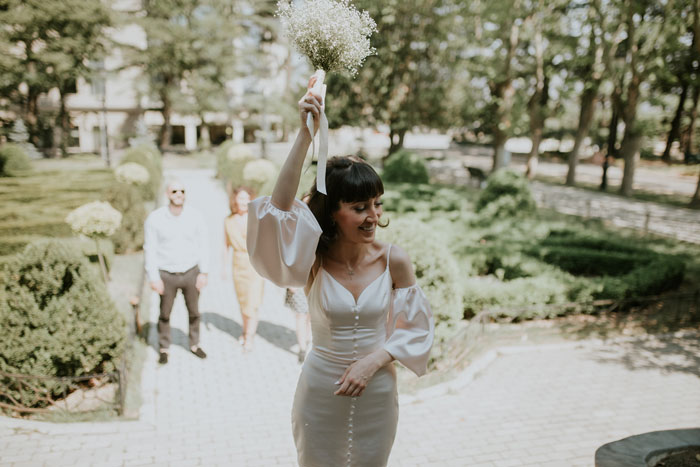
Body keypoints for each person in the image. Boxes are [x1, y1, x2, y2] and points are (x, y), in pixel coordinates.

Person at [247, 78, 435, 467]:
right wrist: (305, 135)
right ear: (333, 210)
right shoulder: (312, 258)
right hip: (321, 390)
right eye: (360, 206)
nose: (373, 216)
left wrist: (373, 361)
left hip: (377, 392)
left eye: (377, 204)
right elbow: (278, 212)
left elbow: (415, 329)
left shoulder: (393, 260)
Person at [144, 179, 209, 365]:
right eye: (174, 191)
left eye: (182, 191)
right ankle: (164, 348)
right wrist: (153, 278)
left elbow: (204, 245)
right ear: (167, 194)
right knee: (165, 313)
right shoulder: (155, 218)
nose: (178, 194)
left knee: (194, 312)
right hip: (166, 274)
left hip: (191, 272)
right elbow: (150, 248)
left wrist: (204, 272)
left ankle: (195, 344)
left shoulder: (195, 216)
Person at [224, 186, 264, 353]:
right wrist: (223, 267)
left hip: (255, 265)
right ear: (235, 200)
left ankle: (249, 337)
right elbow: (225, 245)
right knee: (242, 302)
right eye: (240, 198)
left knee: (252, 303)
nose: (243, 201)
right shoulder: (228, 220)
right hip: (237, 264)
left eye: (246, 198)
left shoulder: (257, 219)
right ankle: (244, 330)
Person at [284, 287, 311, 363]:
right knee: (300, 315)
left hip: (315, 284)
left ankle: (307, 340)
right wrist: (290, 283)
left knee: (310, 314)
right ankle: (302, 348)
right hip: (299, 286)